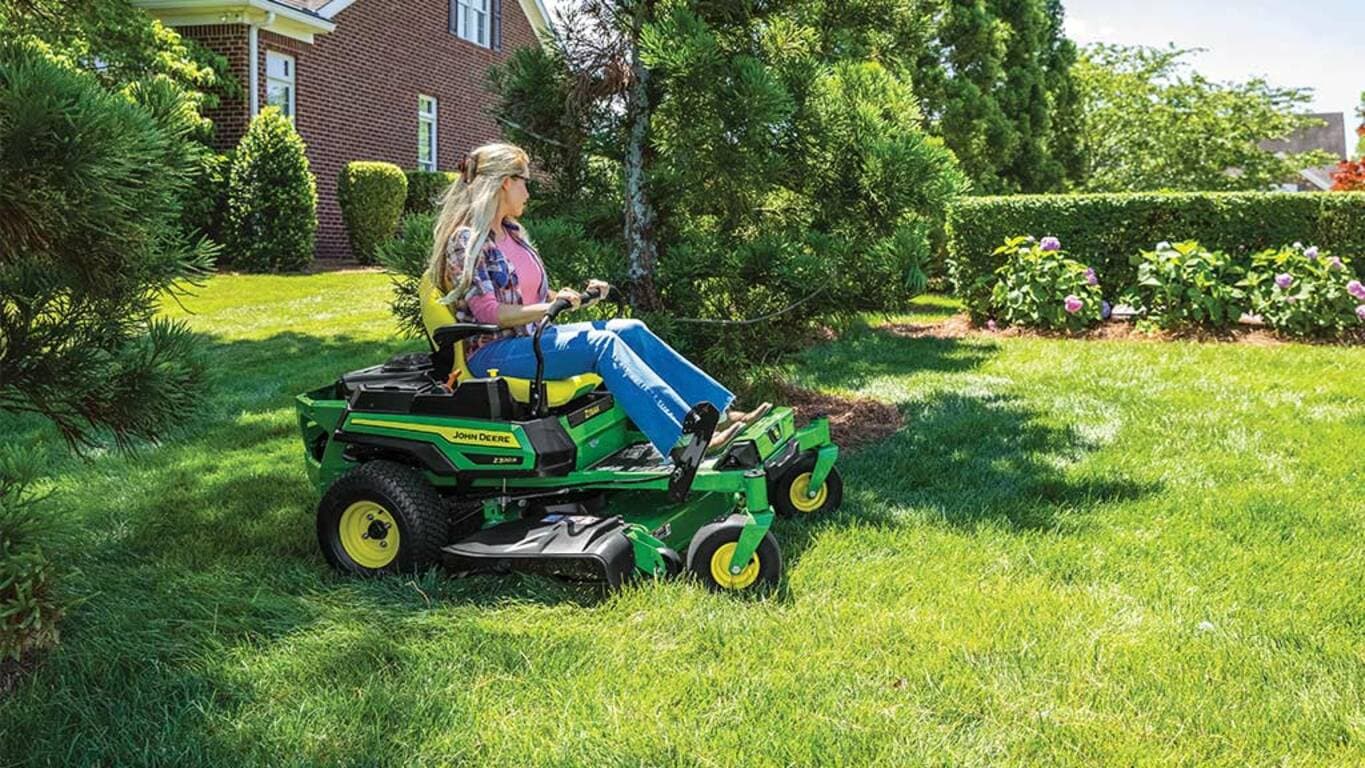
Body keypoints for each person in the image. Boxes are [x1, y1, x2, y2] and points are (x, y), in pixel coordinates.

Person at [425, 142, 770, 459]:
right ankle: (686, 437)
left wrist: (575, 297)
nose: (528, 191)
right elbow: (489, 312)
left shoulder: (512, 234)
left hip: (531, 341)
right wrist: (550, 308)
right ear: (504, 183)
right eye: (524, 182)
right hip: (493, 354)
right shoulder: (467, 240)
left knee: (629, 328)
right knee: (601, 344)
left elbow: (533, 295)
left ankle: (718, 411)